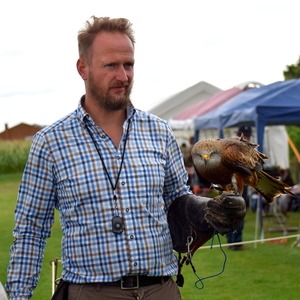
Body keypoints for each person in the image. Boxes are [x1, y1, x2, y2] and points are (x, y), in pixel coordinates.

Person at [6, 16, 245, 300]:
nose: (123, 76)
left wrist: (208, 209)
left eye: (128, 64)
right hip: (92, 292)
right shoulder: (50, 142)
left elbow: (178, 200)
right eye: (111, 66)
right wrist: (19, 296)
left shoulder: (158, 130)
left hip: (161, 289)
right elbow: (30, 230)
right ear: (83, 68)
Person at [226, 125, 251, 250]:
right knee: (238, 214)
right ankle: (236, 243)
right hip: (238, 184)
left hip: (227, 184)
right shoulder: (241, 147)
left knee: (230, 213)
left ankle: (231, 241)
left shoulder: (227, 144)